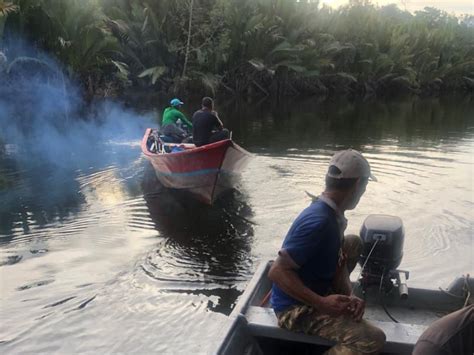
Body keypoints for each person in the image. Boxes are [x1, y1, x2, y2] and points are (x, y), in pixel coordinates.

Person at [268, 149, 386, 355]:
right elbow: (277, 272)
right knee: (371, 339)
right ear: (358, 185)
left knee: (352, 243)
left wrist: (349, 295)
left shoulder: (332, 213)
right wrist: (321, 303)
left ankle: (334, 297)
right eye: (365, 186)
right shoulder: (319, 222)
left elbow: (338, 261)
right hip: (293, 308)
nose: (364, 192)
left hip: (316, 288)